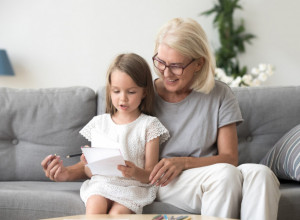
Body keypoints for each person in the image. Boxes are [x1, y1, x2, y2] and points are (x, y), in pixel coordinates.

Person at [41, 18, 280, 220]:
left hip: (204, 172)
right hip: (163, 180)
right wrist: (70, 170)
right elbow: (111, 155)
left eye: (176, 65)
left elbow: (230, 158)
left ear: (199, 63)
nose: (166, 73)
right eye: (161, 62)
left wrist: (183, 162)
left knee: (262, 174)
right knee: (226, 176)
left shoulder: (219, 94)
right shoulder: (140, 94)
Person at [43, 53, 170, 214]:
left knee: (117, 214)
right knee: (95, 206)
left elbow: (151, 175)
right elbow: (90, 172)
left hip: (132, 187)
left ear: (144, 92)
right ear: (110, 90)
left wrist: (135, 172)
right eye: (116, 91)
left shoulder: (149, 125)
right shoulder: (99, 123)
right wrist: (90, 164)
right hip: (101, 185)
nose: (122, 99)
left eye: (131, 92)